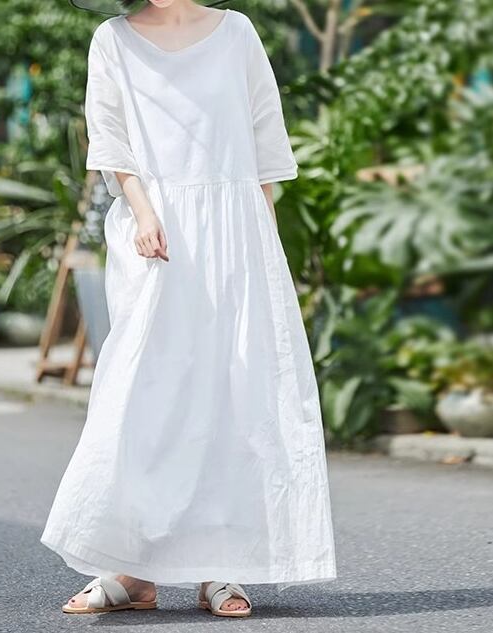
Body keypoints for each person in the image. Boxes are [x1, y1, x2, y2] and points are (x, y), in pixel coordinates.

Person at [41, 0, 336, 617]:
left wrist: (259, 232)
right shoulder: (113, 39)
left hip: (236, 230)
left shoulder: (236, 32)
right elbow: (111, 138)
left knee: (233, 389)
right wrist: (145, 213)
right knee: (144, 391)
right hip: (156, 233)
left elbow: (265, 132)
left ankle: (219, 567)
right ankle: (129, 569)